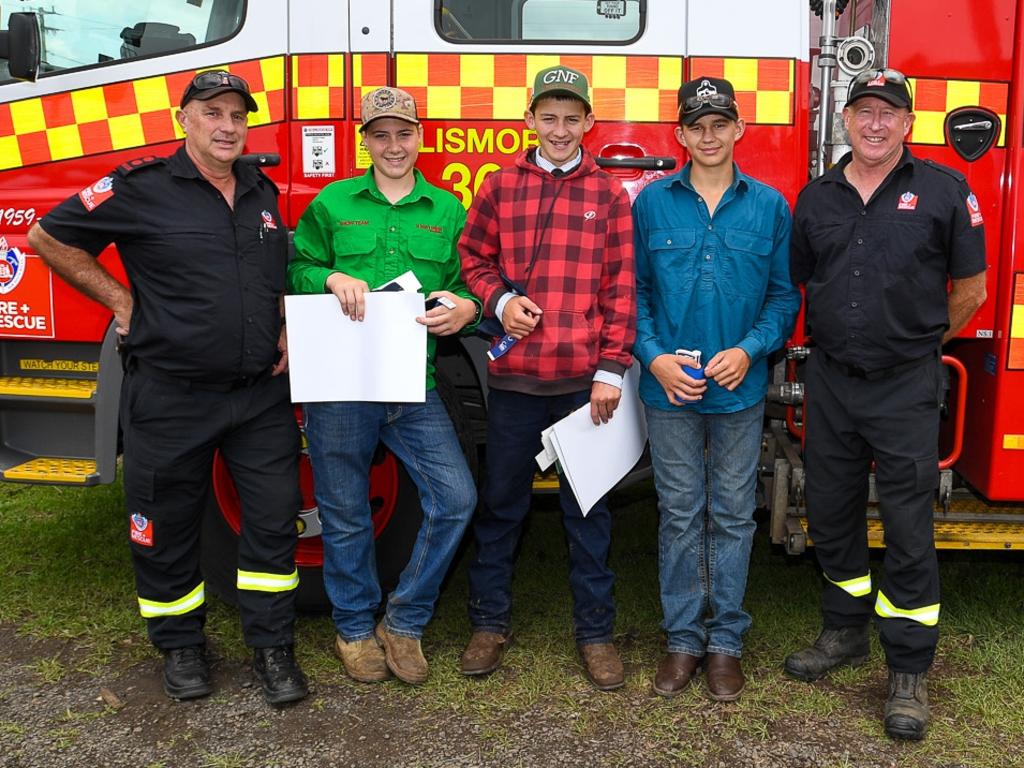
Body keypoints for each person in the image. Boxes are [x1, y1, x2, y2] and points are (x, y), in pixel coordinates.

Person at [26, 71, 308, 706]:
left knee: (271, 521)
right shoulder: (141, 188)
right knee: (164, 522)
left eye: (238, 115)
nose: (228, 126)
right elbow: (48, 237)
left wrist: (285, 323)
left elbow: (267, 274)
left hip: (257, 396)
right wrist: (121, 302)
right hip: (171, 394)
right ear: (185, 119)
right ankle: (181, 645)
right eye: (213, 113)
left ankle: (272, 646)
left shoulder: (260, 190)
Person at [784, 69, 987, 740]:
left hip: (905, 383)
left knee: (906, 527)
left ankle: (907, 669)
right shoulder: (816, 197)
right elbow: (801, 281)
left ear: (908, 122)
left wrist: (914, 341)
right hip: (833, 382)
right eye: (863, 110)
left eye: (888, 113)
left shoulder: (944, 191)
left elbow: (971, 290)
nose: (875, 123)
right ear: (846, 120)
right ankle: (844, 633)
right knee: (832, 513)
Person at [288, 86, 480, 686]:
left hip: (412, 385)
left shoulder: (447, 210)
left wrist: (465, 309)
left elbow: (466, 281)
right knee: (344, 512)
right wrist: (330, 276)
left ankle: (405, 620)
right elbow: (295, 266)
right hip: (341, 385)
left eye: (404, 133)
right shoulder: (332, 202)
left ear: (420, 138)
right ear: (364, 141)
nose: (393, 145)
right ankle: (352, 630)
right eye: (381, 135)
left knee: (456, 499)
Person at [458, 65, 636, 691]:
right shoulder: (500, 185)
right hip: (514, 384)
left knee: (588, 513)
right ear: (529, 118)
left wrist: (611, 369)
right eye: (548, 116)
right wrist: (499, 301)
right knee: (501, 507)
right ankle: (489, 623)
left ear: (590, 122)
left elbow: (620, 290)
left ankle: (595, 633)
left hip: (582, 386)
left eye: (572, 117)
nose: (560, 129)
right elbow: (473, 259)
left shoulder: (610, 195)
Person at [632, 76, 800, 701]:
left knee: (731, 515)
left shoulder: (770, 206)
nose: (708, 135)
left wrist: (749, 349)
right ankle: (682, 641)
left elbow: (785, 297)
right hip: (669, 392)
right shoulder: (651, 204)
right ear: (680, 134)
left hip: (740, 388)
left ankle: (725, 643)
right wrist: (653, 360)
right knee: (679, 514)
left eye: (719, 123)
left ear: (738, 130)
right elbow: (638, 294)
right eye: (696, 125)